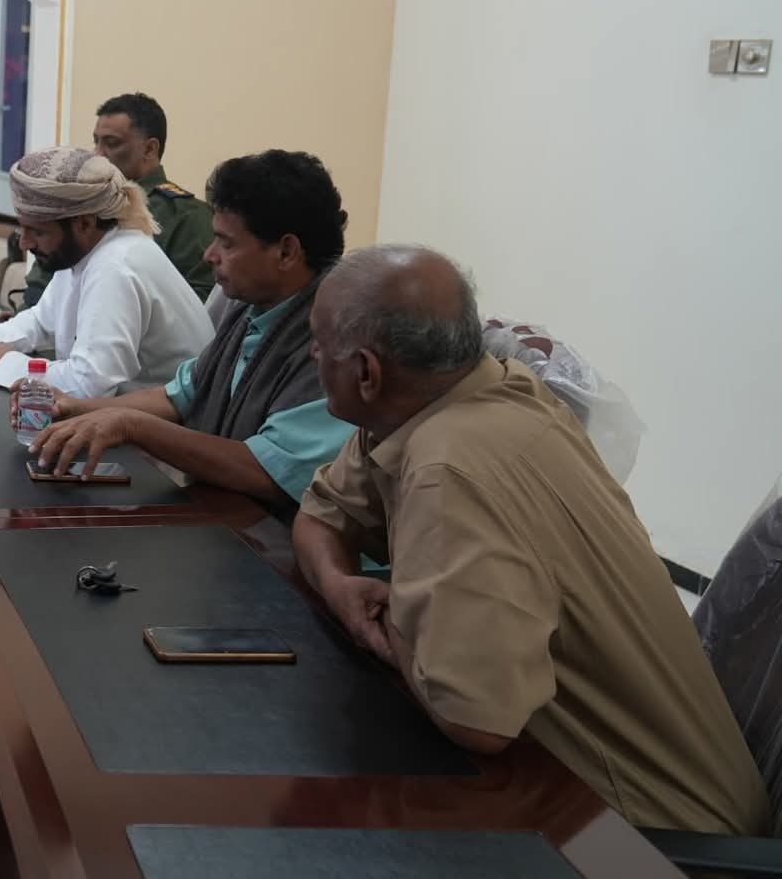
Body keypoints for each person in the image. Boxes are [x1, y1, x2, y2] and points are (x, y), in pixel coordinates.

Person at [297, 245, 768, 835]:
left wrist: (388, 627)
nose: (313, 354)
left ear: (367, 372)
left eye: (319, 343)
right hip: (587, 798)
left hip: (647, 835)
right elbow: (322, 515)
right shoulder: (468, 395)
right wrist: (340, 586)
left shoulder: (450, 467)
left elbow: (473, 718)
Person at [28, 150, 353, 507]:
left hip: (273, 534)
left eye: (226, 242)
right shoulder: (250, 306)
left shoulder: (332, 342)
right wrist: (79, 409)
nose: (209, 255)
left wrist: (130, 425)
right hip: (221, 514)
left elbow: (268, 471)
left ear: (287, 252)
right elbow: (180, 394)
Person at [0, 148, 210, 400]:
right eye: (22, 229)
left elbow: (89, 385)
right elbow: (41, 320)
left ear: (84, 224)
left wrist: (9, 365)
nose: (24, 244)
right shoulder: (89, 251)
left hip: (167, 426)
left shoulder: (115, 267)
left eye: (37, 231)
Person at [23, 93, 215, 308]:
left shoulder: (186, 217)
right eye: (96, 142)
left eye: (111, 143)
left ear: (149, 149)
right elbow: (42, 280)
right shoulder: (80, 204)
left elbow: (203, 304)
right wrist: (22, 318)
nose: (98, 154)